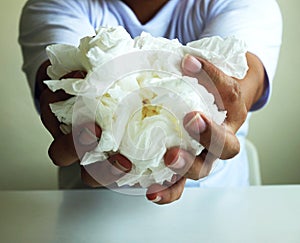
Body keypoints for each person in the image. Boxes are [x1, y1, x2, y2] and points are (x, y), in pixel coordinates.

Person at [19, 0, 282, 204]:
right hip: (88, 212)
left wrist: (230, 102)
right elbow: (59, 88)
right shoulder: (55, 5)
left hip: (220, 208)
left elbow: (241, 87)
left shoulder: (245, 4)